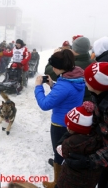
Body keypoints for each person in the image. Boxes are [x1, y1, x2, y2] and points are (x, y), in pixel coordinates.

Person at [34, 49, 85, 188]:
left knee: (59, 154)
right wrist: (53, 85)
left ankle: (57, 183)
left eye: (53, 67)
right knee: (67, 152)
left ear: (58, 67)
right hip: (72, 122)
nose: (53, 69)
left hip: (60, 125)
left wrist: (38, 87)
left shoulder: (64, 85)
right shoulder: (76, 76)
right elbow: (66, 93)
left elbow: (45, 104)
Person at [65, 62, 108, 188]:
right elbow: (97, 122)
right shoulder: (99, 96)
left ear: (96, 85)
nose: (84, 80)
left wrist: (90, 161)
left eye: (86, 79)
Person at [56, 101, 103, 188]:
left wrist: (66, 136)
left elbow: (60, 149)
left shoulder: (71, 143)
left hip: (68, 182)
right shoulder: (96, 138)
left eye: (69, 126)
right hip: (89, 182)